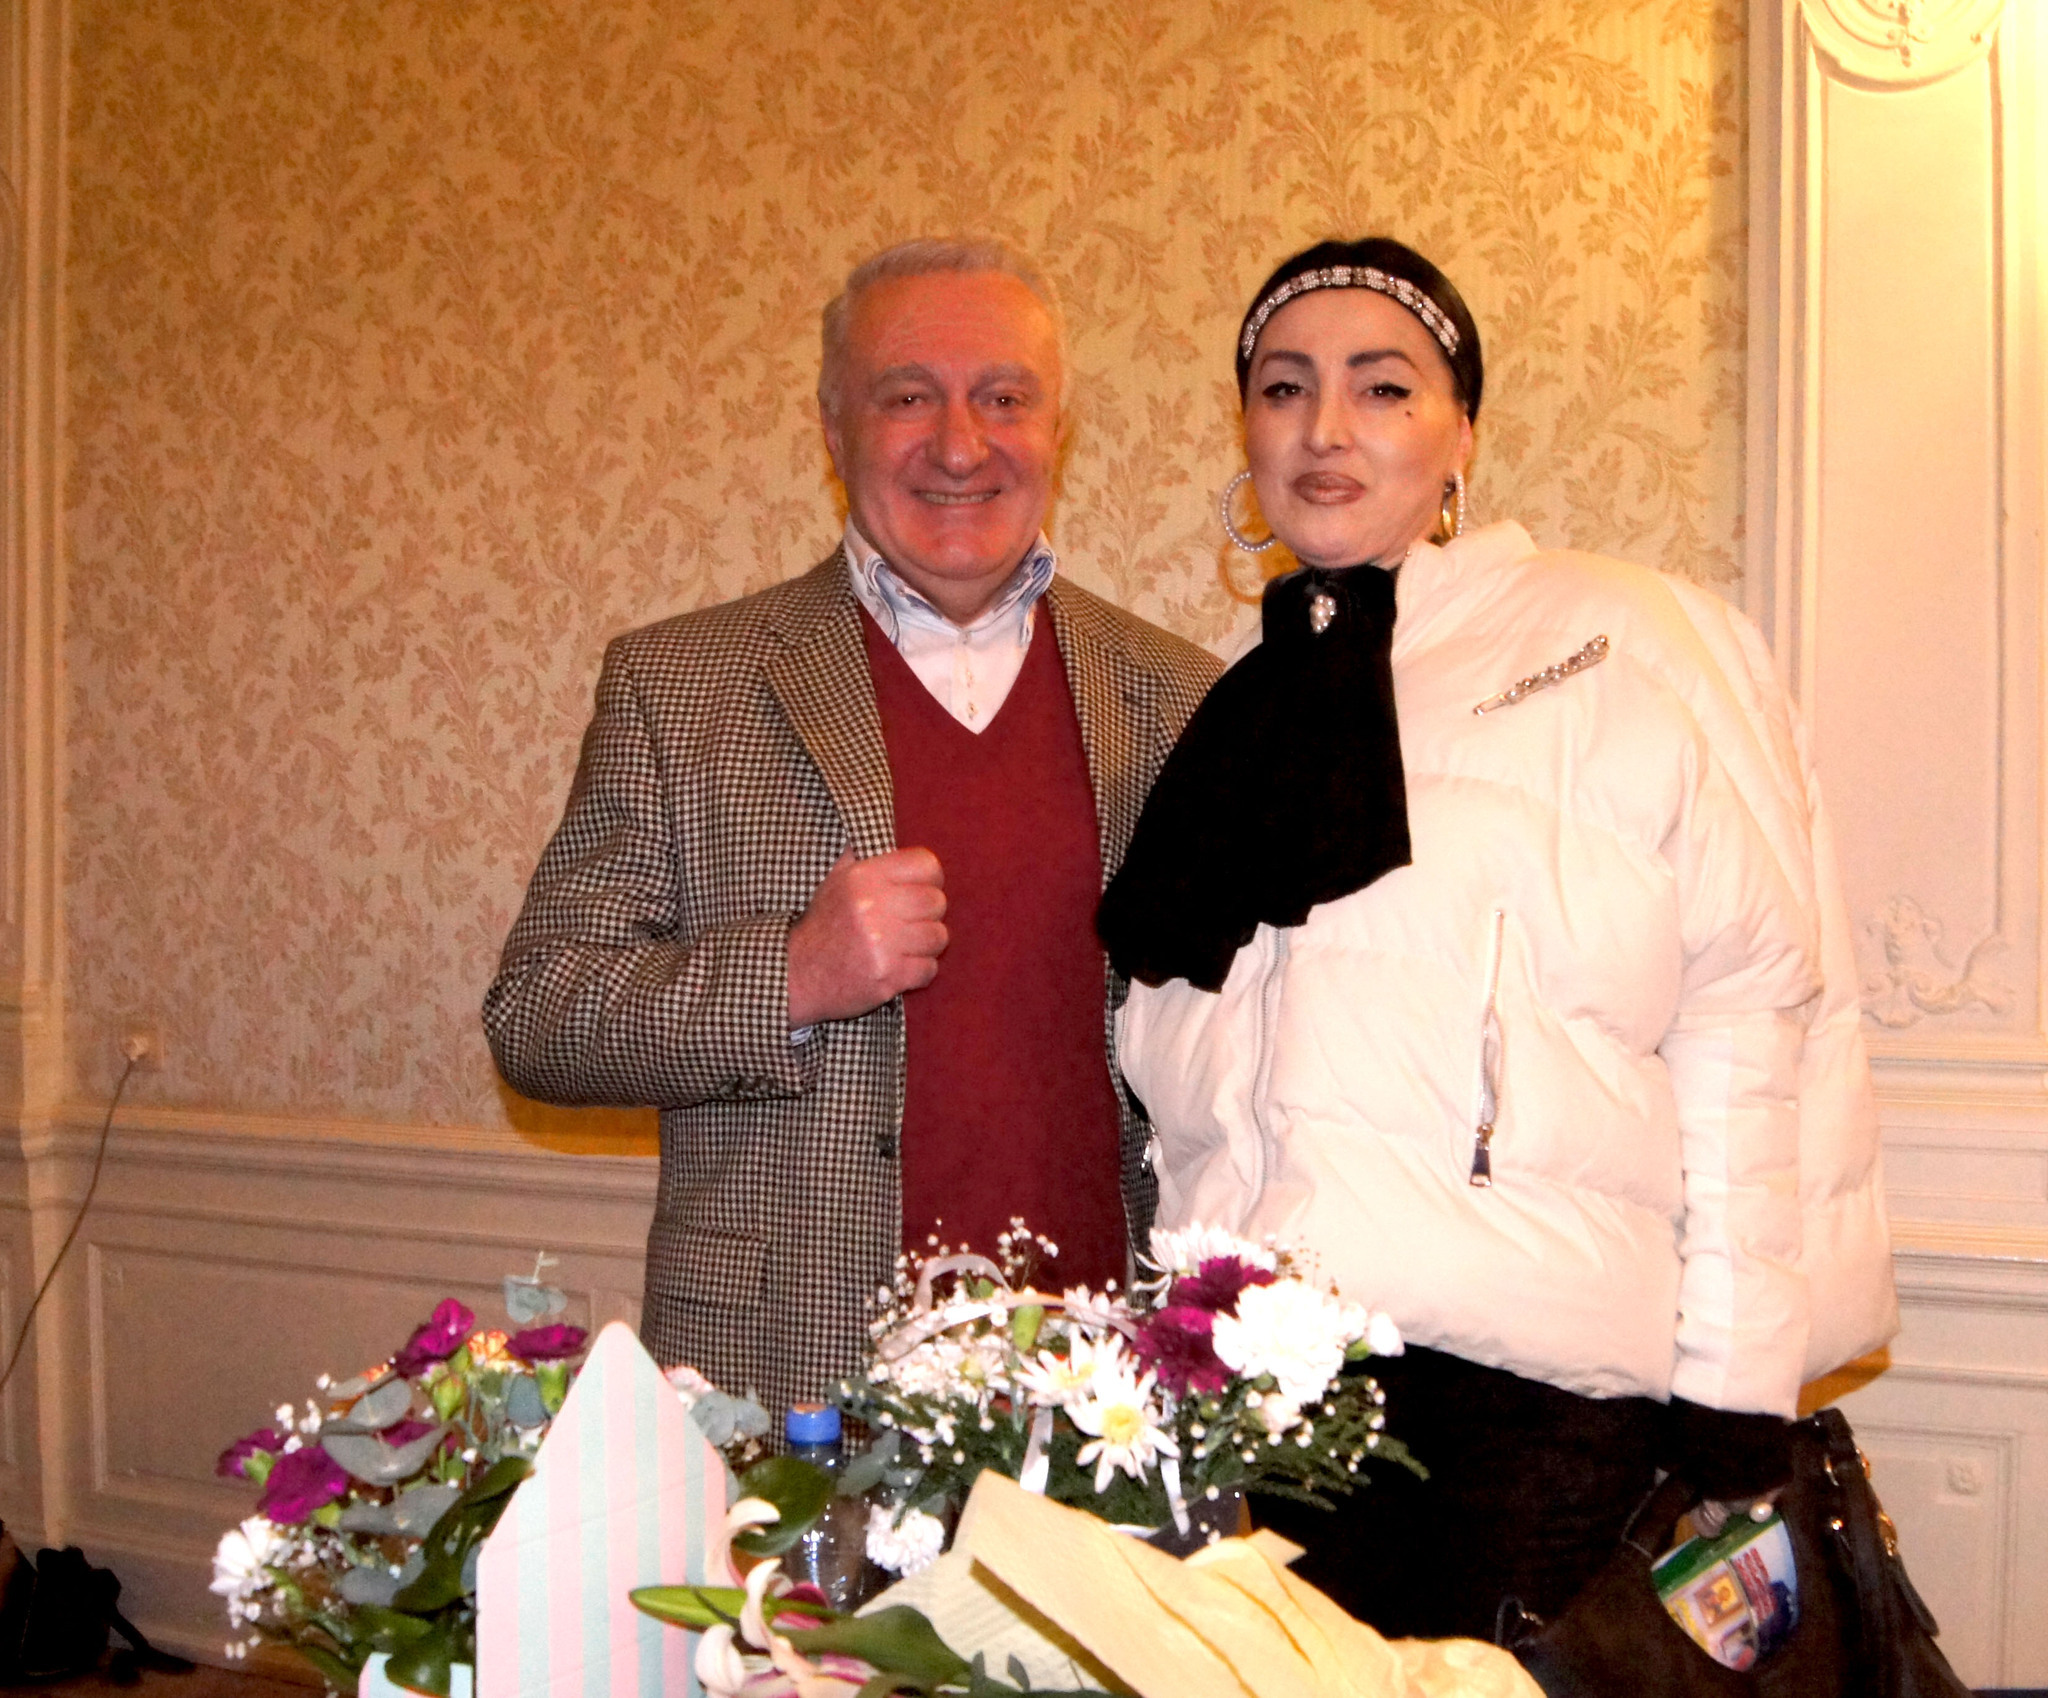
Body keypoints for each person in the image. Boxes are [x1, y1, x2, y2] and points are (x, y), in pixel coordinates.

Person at [1098, 237, 1898, 1641]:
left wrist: (1732, 1398)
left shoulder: (1623, 641)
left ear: (1461, 432)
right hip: (1268, 1403)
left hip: (1530, 1410)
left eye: (1382, 387)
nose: (1325, 428)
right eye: (1283, 388)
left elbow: (1748, 1020)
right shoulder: (1235, 710)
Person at [483, 239, 1220, 1419]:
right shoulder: (680, 686)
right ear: (833, 429)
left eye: (1003, 398)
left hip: (1101, 1398)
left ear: (1056, 429)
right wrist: (788, 974)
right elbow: (537, 1016)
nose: (959, 446)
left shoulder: (1178, 697)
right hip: (794, 1381)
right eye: (906, 397)